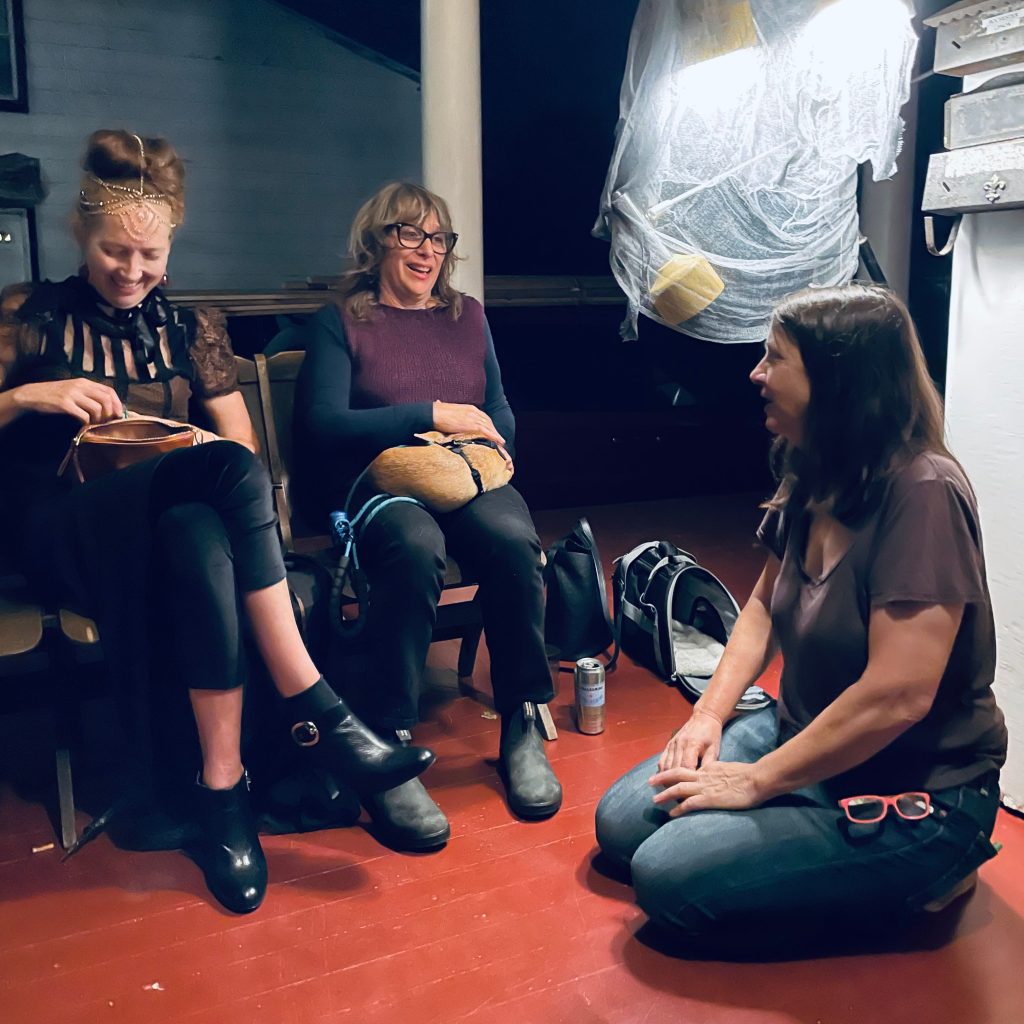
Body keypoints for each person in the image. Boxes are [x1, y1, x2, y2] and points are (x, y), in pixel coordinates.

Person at [0, 131, 433, 914]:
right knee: (218, 481)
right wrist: (30, 396)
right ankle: (318, 706)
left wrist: (189, 442)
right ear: (80, 236)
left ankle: (222, 790)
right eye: (113, 251)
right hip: (59, 534)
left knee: (200, 524)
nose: (132, 270)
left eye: (150, 255)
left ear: (171, 250)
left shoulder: (188, 327)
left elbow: (243, 451)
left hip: (159, 538)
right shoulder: (28, 315)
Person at [595, 283, 1008, 955]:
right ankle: (801, 816)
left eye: (774, 358)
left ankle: (929, 867)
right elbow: (763, 605)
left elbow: (899, 695)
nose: (756, 374)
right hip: (808, 737)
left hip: (915, 785)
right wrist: (708, 717)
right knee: (621, 824)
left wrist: (757, 781)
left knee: (665, 875)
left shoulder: (924, 493)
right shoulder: (816, 466)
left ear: (837, 381)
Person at [293, 182, 561, 851]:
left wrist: (489, 444)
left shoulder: (467, 316)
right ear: (378, 240)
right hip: (379, 479)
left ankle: (522, 717)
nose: (427, 250)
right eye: (410, 233)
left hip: (464, 472)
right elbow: (323, 425)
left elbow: (499, 411)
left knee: (512, 540)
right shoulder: (340, 320)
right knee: (413, 546)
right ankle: (388, 738)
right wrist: (431, 413)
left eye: (438, 238)